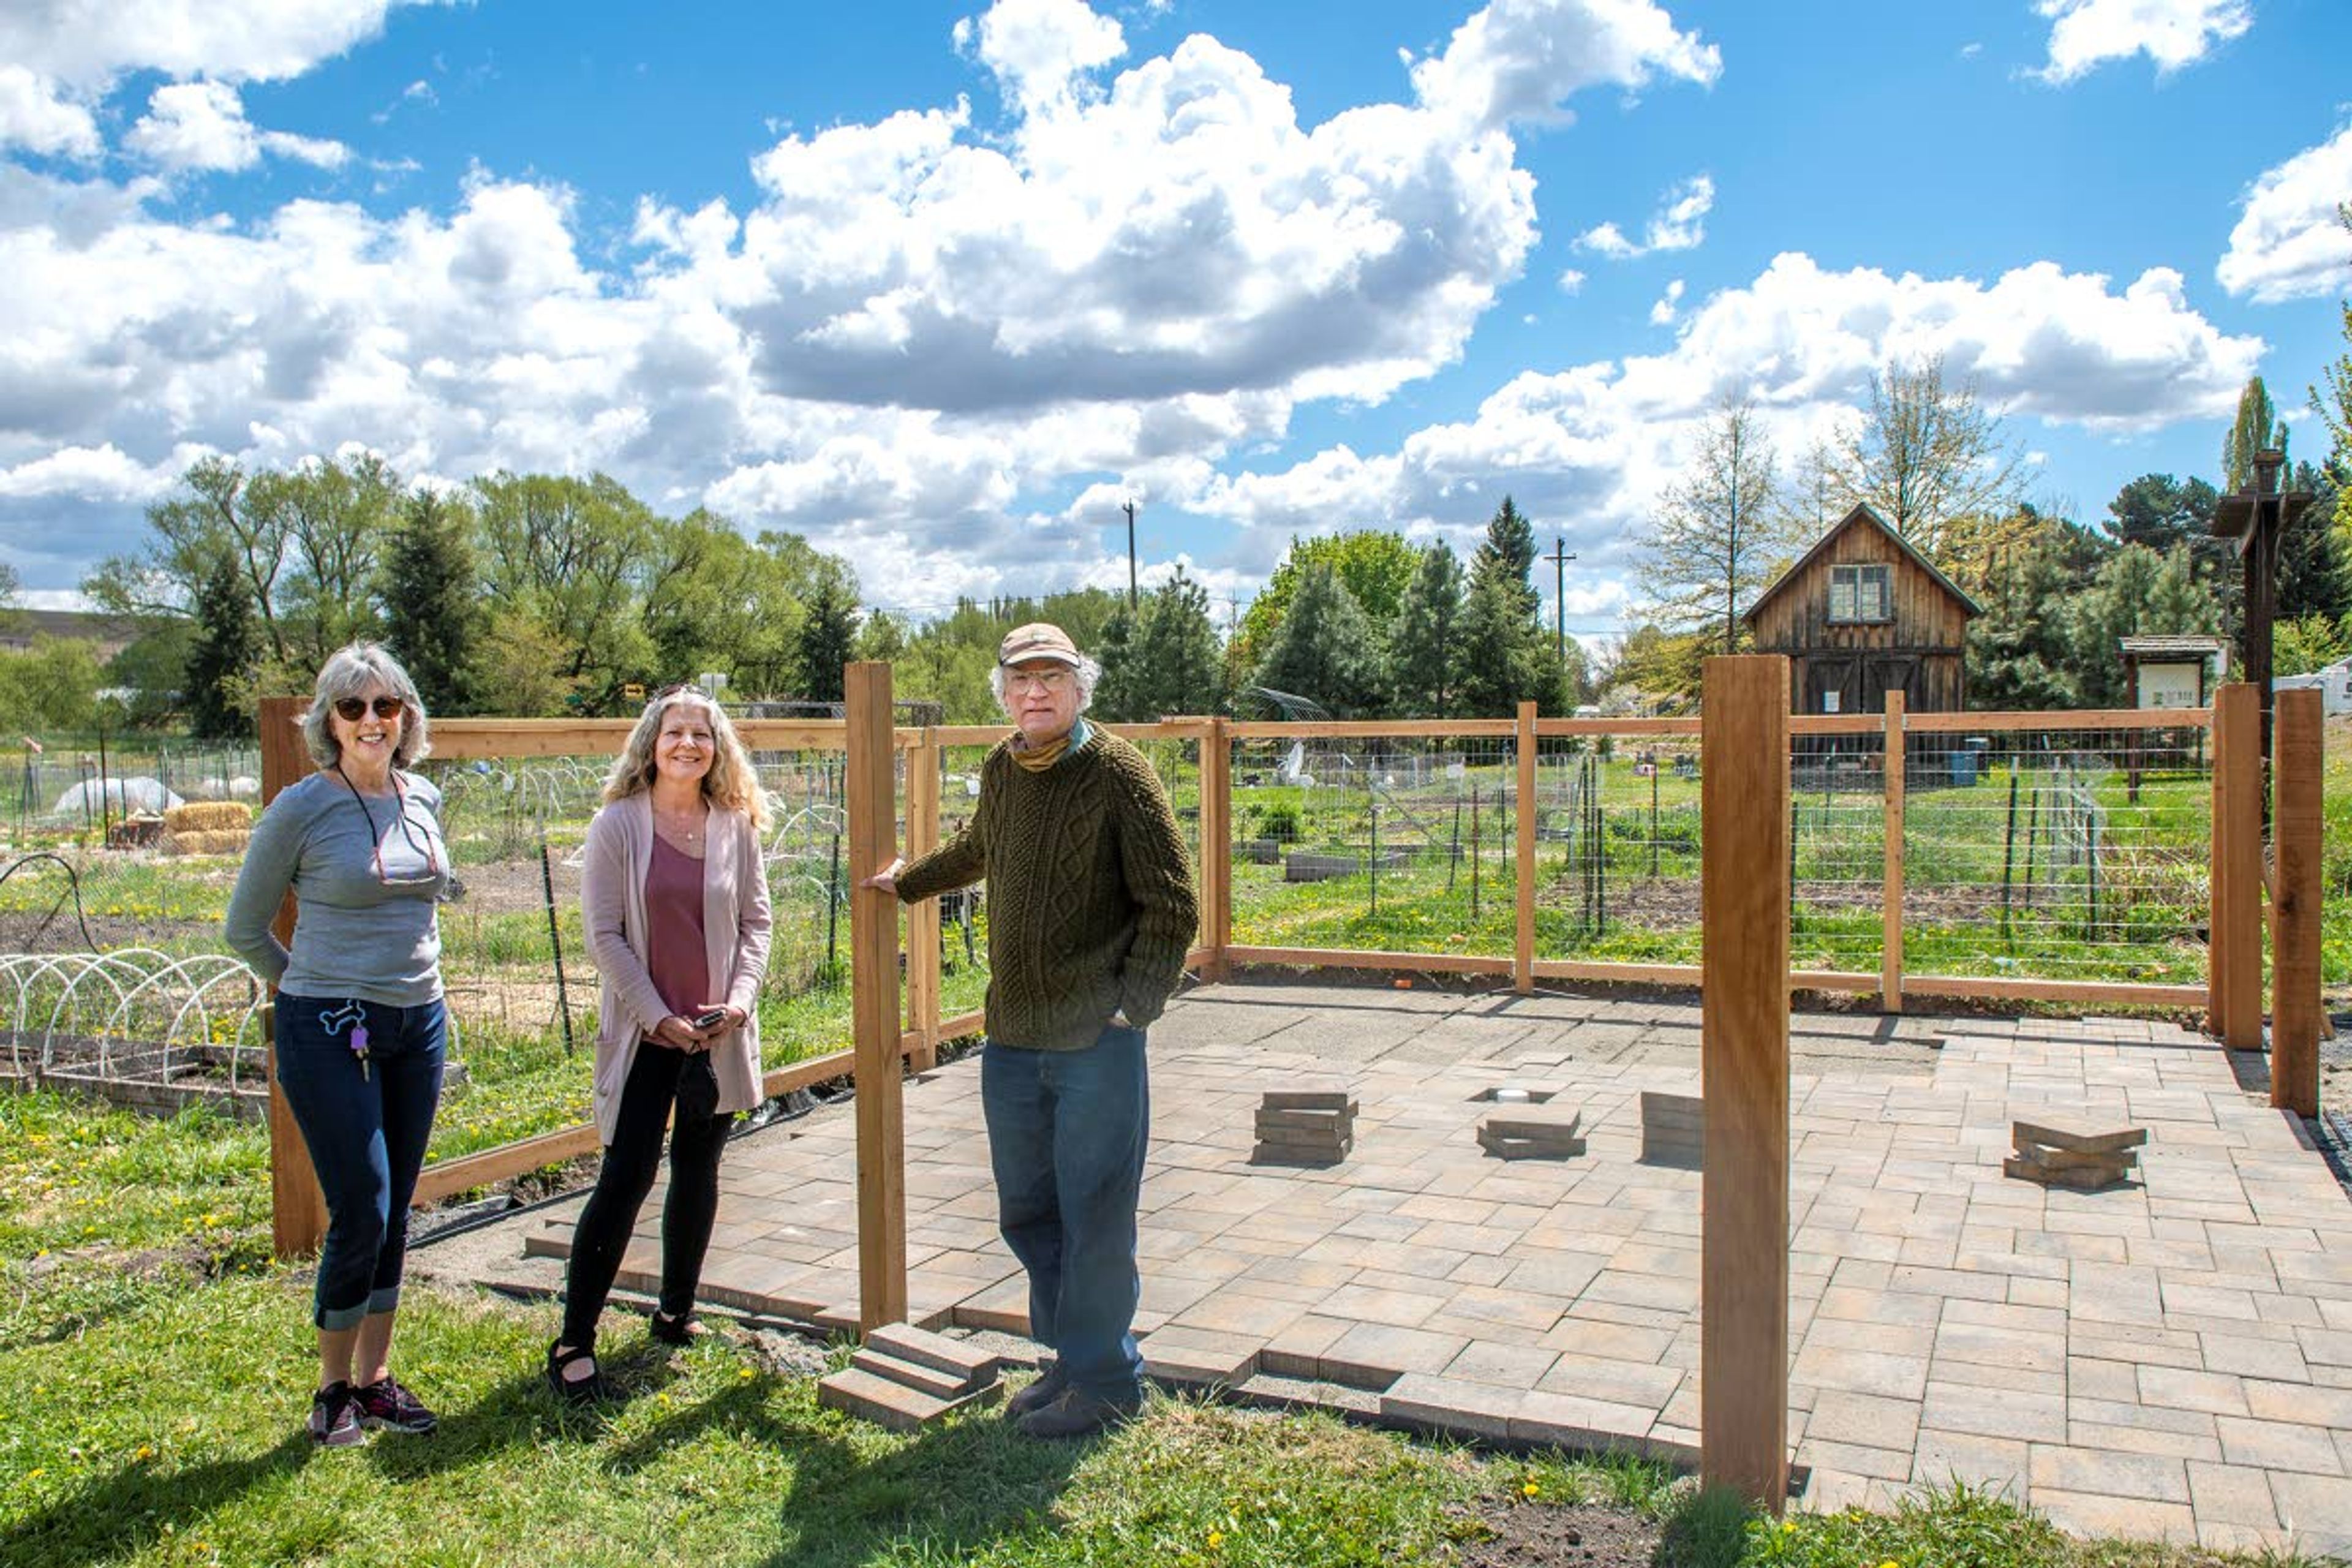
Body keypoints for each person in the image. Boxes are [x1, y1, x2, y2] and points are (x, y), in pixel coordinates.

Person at [864, 623, 1197, 1438]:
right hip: (1012, 1038)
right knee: (1030, 1211)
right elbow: (984, 846)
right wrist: (908, 882)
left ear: (1081, 688)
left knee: (1095, 1214)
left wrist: (1133, 1006)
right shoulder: (1003, 767)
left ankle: (1111, 1381)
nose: (1036, 693)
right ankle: (1070, 1362)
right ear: (1004, 693)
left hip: (1096, 1045)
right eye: (1022, 681)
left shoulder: (1120, 773)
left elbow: (1172, 903)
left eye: (1052, 678)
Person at [224, 643, 453, 1448]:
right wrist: (304, 989)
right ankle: (332, 1391)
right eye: (351, 707)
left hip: (418, 1021)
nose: (369, 721)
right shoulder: (300, 809)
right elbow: (243, 928)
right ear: (327, 720)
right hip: (329, 1027)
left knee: (397, 1210)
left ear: (406, 718)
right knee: (362, 1207)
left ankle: (376, 1378)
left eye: (385, 706)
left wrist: (416, 981)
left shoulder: (421, 795)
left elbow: (423, 904)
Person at [548, 686, 773, 1403]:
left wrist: (737, 1004)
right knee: (626, 1177)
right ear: (651, 743)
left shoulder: (735, 824)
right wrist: (654, 1015)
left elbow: (756, 924)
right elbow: (603, 935)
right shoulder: (617, 825)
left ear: (718, 749)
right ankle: (574, 1340)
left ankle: (675, 1312)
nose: (687, 745)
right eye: (674, 732)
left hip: (715, 1033)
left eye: (701, 735)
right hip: (649, 1033)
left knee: (699, 1169)